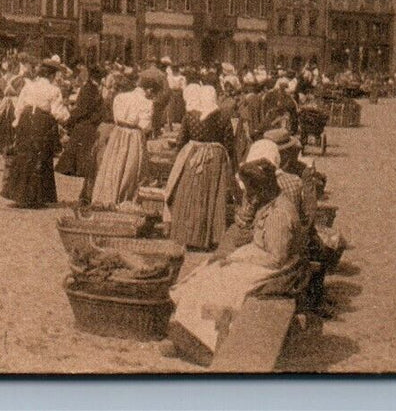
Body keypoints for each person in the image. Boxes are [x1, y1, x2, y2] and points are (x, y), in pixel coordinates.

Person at [167, 158, 305, 364]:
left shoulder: (279, 214)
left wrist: (238, 258)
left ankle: (209, 343)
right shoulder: (269, 204)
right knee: (208, 270)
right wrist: (233, 257)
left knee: (222, 282)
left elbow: (276, 258)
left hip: (280, 271)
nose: (248, 195)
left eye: (250, 190)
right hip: (264, 260)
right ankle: (190, 332)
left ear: (261, 189)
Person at [164, 87, 236, 250]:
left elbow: (181, 139)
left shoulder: (190, 116)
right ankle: (211, 236)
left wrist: (182, 156)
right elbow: (229, 142)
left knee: (191, 195)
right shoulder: (223, 116)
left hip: (193, 158)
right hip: (215, 160)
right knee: (212, 196)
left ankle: (189, 235)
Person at [89, 67, 161, 207]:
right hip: (134, 135)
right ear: (149, 90)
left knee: (113, 164)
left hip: (118, 133)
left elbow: (116, 118)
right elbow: (145, 126)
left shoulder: (120, 97)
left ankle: (107, 196)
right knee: (131, 167)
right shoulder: (147, 103)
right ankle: (124, 197)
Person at [2, 60, 70, 208]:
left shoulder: (29, 86)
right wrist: (68, 119)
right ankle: (36, 197)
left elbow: (19, 107)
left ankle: (19, 194)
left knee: (24, 155)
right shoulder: (53, 90)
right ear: (51, 76)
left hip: (26, 121)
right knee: (40, 157)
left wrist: (17, 124)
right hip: (41, 123)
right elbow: (58, 113)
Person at [55, 63, 106, 183]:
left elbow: (82, 108)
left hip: (85, 122)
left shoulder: (89, 88)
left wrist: (71, 118)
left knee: (78, 143)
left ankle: (76, 168)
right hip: (89, 122)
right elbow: (85, 108)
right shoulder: (92, 88)